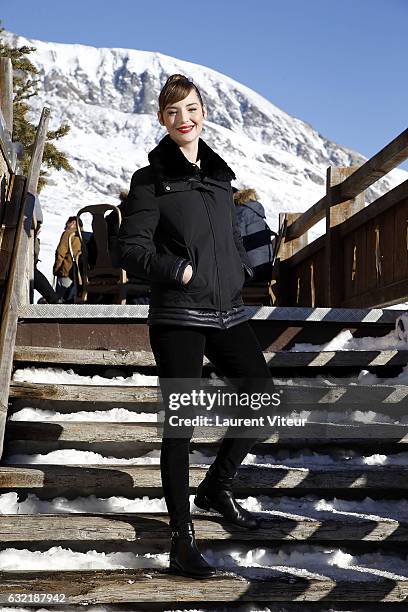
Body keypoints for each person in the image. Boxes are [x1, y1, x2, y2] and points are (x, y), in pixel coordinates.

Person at [118, 74, 273, 579]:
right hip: (178, 314)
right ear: (162, 120)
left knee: (261, 394)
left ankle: (216, 487)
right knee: (182, 426)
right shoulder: (149, 181)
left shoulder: (220, 179)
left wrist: (239, 267)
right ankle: (181, 539)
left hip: (227, 311)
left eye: (192, 108)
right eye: (173, 112)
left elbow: (226, 236)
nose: (184, 119)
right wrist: (174, 270)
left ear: (203, 111)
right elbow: (131, 248)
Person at [233, 187, 275, 282]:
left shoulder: (241, 212)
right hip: (265, 268)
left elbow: (237, 239)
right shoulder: (254, 214)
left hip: (251, 271)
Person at [53, 216, 81, 301]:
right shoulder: (84, 236)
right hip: (79, 275)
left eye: (67, 223)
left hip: (66, 272)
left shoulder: (68, 233)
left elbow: (60, 252)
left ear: (73, 223)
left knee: (60, 300)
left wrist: (57, 270)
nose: (65, 225)